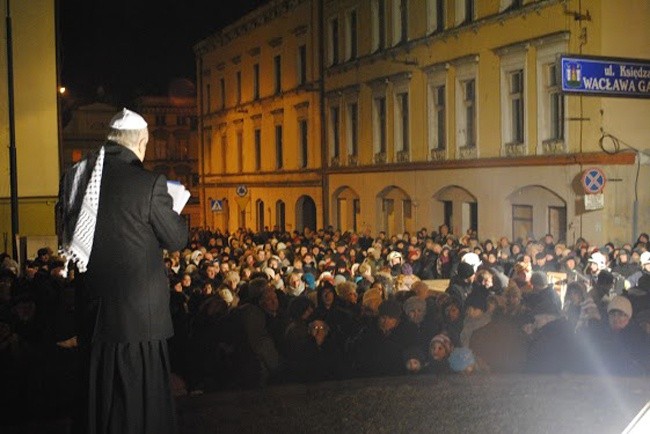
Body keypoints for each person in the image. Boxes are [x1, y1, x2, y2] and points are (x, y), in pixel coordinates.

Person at [57, 108, 188, 434]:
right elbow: (176, 239)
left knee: (100, 400)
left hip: (96, 315)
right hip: (139, 321)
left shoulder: (77, 177)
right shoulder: (150, 184)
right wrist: (174, 206)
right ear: (141, 141)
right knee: (142, 406)